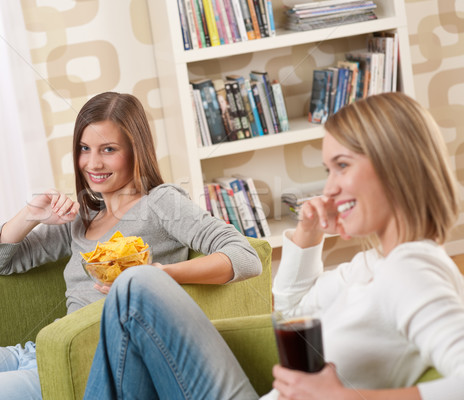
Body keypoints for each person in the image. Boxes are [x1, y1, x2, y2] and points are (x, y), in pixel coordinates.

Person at [0, 92, 261, 400]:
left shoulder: (161, 203)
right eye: (84, 149)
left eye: (109, 149)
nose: (93, 163)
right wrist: (30, 215)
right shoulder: (81, 216)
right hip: (33, 351)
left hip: (73, 364)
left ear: (135, 150)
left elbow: (245, 258)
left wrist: (159, 276)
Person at [82, 92, 464, 400]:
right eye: (328, 170)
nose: (329, 188)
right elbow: (290, 311)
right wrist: (308, 236)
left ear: (395, 164)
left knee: (137, 286)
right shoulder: (373, 264)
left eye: (342, 166)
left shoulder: (411, 269)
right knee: (136, 298)